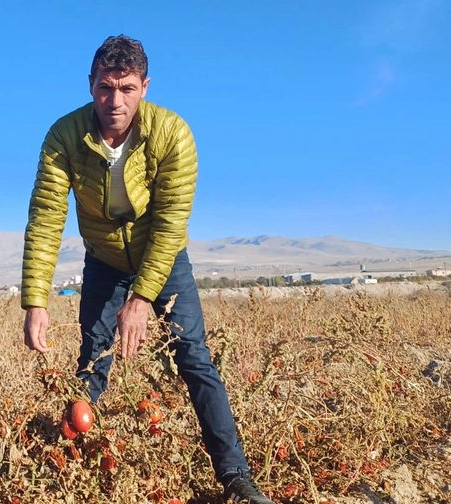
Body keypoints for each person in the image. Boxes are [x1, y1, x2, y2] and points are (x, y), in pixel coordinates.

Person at [21, 35, 273, 503]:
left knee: (194, 357)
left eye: (127, 88)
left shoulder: (172, 133)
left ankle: (236, 476)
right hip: (103, 260)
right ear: (90, 85)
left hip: (165, 257)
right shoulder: (64, 137)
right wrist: (35, 300)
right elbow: (46, 218)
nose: (114, 101)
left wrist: (140, 298)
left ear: (145, 87)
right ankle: (65, 466)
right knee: (93, 358)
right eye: (104, 88)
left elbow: (171, 222)